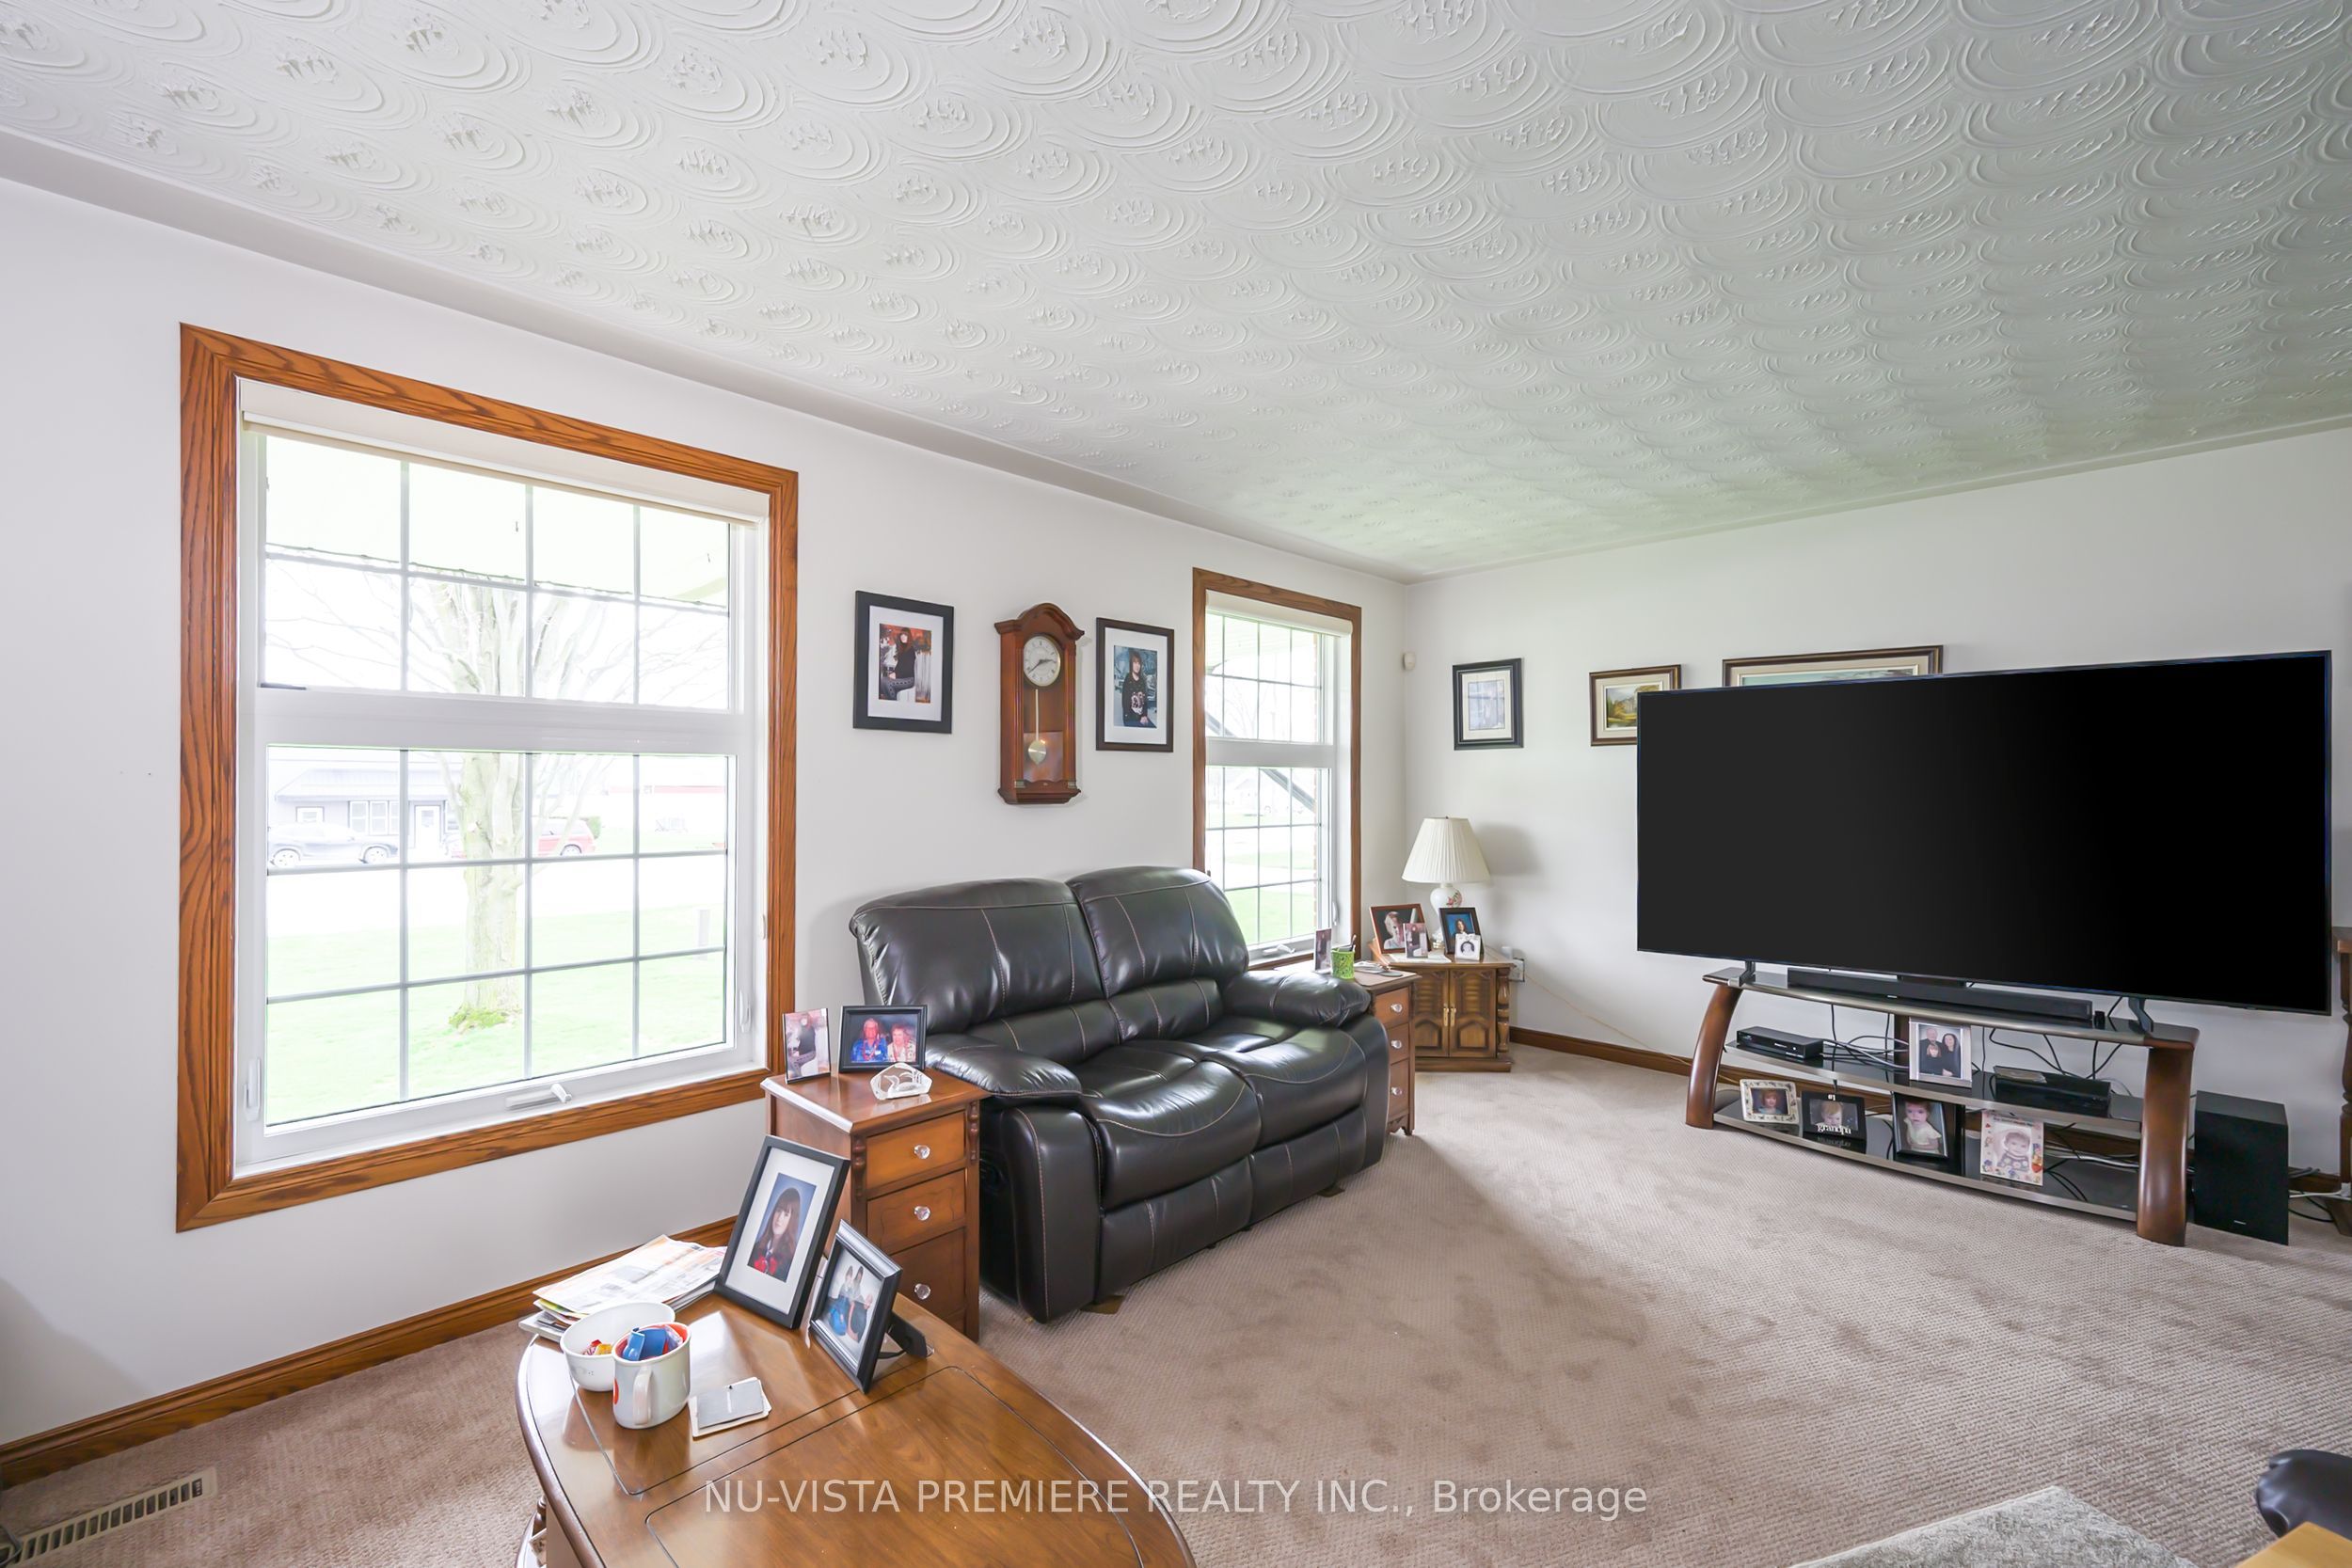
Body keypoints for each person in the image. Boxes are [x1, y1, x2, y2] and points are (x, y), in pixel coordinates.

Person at [747, 1184, 803, 1279]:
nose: (779, 1218)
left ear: (792, 1220)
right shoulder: (756, 1248)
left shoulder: (790, 1261)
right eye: (778, 1211)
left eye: (786, 1214)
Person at [1118, 650, 1154, 728]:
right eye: (1135, 663)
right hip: (1130, 718)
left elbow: (1145, 701)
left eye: (1139, 663)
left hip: (1142, 717)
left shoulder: (1142, 680)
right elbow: (1125, 702)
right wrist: (1134, 718)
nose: (1137, 665)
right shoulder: (1128, 679)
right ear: (1131, 664)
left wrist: (1144, 715)